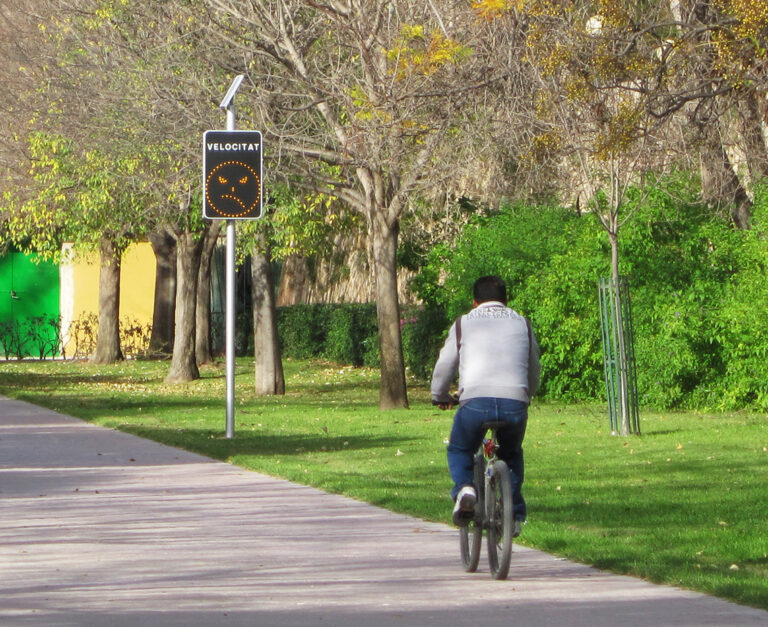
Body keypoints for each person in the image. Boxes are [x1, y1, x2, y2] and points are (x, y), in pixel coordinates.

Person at [431, 275, 540, 532]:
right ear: (506, 300)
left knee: (459, 449)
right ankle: (513, 515)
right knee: (511, 453)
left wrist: (440, 395)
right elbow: (534, 366)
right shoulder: (523, 323)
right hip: (515, 401)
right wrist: (527, 395)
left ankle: (465, 489)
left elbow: (445, 364)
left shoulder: (463, 324)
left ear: (474, 301)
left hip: (475, 401)